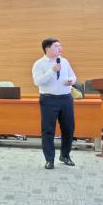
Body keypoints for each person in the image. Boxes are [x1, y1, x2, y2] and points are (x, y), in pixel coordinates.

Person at [32, 37, 77, 170]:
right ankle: (49, 160)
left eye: (60, 46)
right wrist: (52, 71)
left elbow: (73, 76)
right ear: (47, 48)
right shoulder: (39, 64)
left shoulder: (64, 61)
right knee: (48, 130)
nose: (60, 48)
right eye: (56, 46)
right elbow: (38, 81)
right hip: (48, 99)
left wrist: (71, 80)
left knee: (69, 129)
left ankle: (65, 155)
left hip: (66, 98)